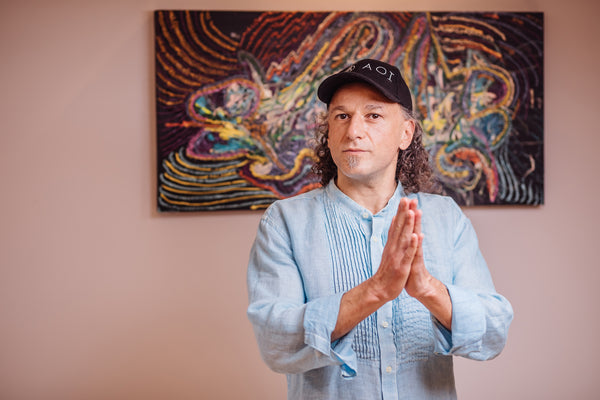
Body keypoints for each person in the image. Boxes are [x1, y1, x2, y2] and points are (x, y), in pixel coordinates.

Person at [246, 58, 513, 400]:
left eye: (373, 115)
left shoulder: (446, 218)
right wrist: (375, 291)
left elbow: (493, 333)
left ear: (405, 133)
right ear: (328, 132)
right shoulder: (284, 222)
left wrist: (427, 288)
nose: (353, 130)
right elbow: (274, 341)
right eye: (341, 116)